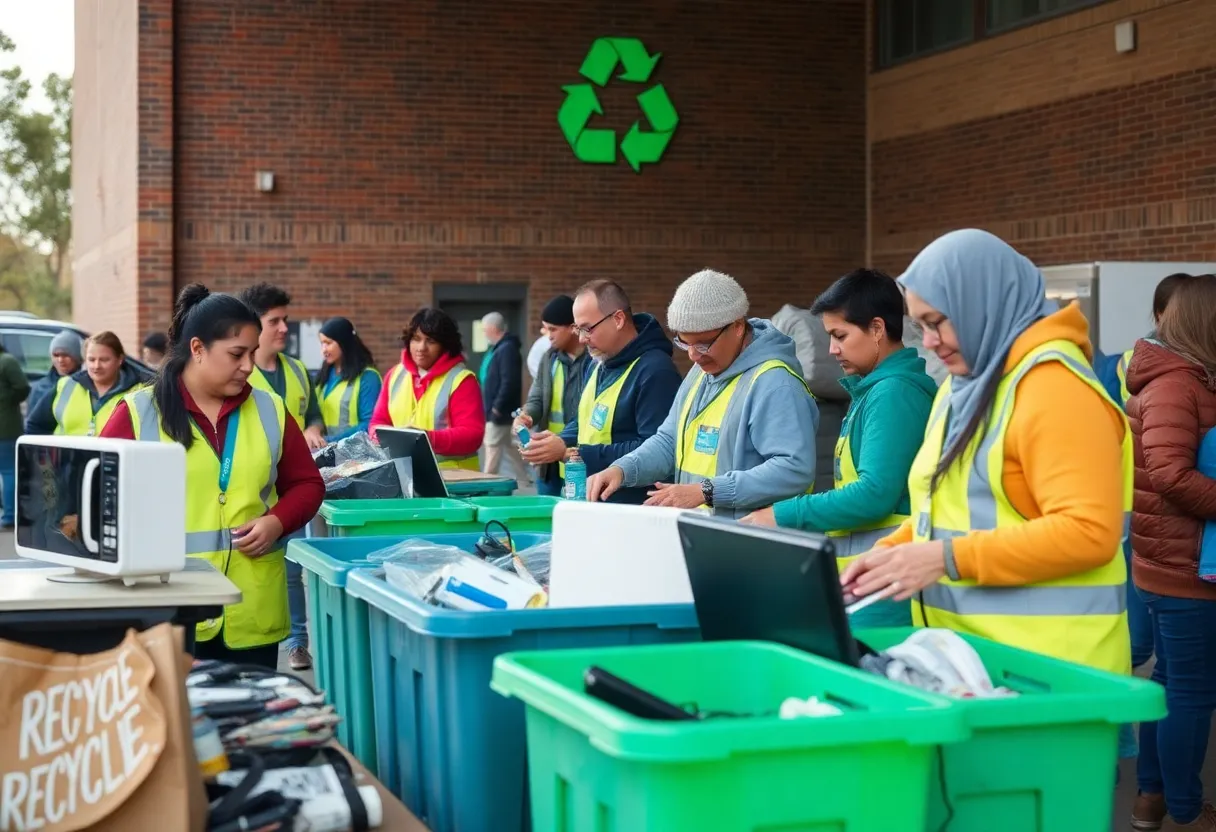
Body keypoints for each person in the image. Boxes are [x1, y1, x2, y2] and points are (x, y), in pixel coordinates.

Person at [841, 229, 1132, 678]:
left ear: (984, 304)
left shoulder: (1055, 387)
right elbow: (948, 510)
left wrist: (942, 558)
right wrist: (894, 552)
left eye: (938, 322)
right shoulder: (964, 385)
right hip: (978, 664)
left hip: (1055, 677)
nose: (930, 342)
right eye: (922, 326)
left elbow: (1089, 532)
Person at [101, 285, 324, 670]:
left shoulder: (270, 408)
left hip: (251, 608)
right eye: (236, 354)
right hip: (169, 610)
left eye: (253, 353)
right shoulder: (138, 413)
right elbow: (98, 503)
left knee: (252, 727)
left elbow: (307, 484)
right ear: (198, 349)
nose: (249, 366)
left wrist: (277, 521)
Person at [740, 269, 937, 628]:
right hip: (871, 586)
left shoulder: (893, 394)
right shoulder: (875, 390)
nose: (832, 349)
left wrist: (782, 515)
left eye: (840, 336)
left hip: (885, 596)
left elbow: (875, 493)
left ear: (877, 329)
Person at [587, 269, 818, 516]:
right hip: (704, 536)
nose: (694, 356)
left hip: (750, 544)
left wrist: (706, 491)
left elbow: (793, 469)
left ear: (738, 326)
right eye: (684, 343)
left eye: (703, 344)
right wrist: (622, 470)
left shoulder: (775, 383)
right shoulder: (701, 372)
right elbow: (669, 441)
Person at [1124, 274, 1216, 832]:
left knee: (1172, 684)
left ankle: (1152, 800)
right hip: (1178, 567)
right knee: (1192, 691)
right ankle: (1186, 812)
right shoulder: (1175, 385)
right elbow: (1169, 474)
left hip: (1176, 560)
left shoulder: (1189, 380)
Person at [520, 280, 682, 504]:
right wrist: (558, 442)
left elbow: (656, 449)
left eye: (587, 328)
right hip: (592, 499)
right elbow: (584, 419)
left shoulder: (656, 371)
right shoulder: (597, 362)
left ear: (618, 319)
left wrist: (574, 453)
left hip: (630, 507)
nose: (581, 338)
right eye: (577, 329)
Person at [370, 307, 485, 468]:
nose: (421, 347)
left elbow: (472, 435)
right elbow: (378, 422)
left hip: (455, 482)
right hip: (404, 476)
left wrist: (423, 438)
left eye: (431, 341)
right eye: (416, 339)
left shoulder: (462, 380)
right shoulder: (394, 375)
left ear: (445, 345)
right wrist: (381, 437)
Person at [514, 295, 592, 497]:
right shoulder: (549, 358)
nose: (548, 335)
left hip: (579, 459)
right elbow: (537, 396)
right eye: (545, 328)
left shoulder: (594, 361)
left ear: (573, 327)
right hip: (548, 463)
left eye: (553, 329)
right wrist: (528, 415)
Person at [238, 283, 327, 451]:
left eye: (284, 320)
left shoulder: (299, 369)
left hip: (299, 471)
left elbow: (314, 416)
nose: (285, 328)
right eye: (274, 322)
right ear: (252, 325)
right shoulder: (236, 373)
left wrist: (313, 429)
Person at [26, 332, 150, 437]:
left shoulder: (139, 392)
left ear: (120, 360)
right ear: (84, 360)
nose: (96, 366)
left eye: (104, 360)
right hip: (68, 464)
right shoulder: (66, 386)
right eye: (91, 360)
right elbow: (36, 426)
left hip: (116, 464)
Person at [478, 311, 529, 483]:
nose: (484, 334)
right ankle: (524, 479)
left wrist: (497, 407)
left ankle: (486, 483)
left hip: (499, 411)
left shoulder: (506, 349)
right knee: (509, 447)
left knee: (492, 447)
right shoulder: (501, 348)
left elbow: (509, 381)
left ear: (493, 328)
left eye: (485, 330)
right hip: (499, 410)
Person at [314, 316, 382, 442]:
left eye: (328, 343)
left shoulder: (368, 378)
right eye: (322, 343)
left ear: (343, 342)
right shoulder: (323, 377)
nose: (323, 350)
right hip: (328, 453)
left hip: (358, 455)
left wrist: (331, 440)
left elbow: (370, 423)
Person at [0, 342, 29, 528]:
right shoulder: (7, 361)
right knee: (9, 471)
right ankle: (9, 515)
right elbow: (23, 387)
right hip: (6, 426)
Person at [29, 331, 82, 414]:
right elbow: (31, 424)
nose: (60, 360)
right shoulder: (40, 388)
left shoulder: (88, 386)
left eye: (65, 355)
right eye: (56, 355)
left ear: (77, 357)